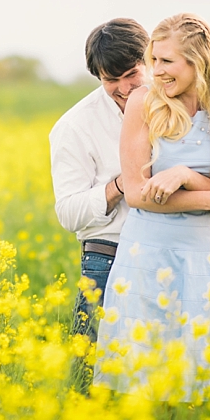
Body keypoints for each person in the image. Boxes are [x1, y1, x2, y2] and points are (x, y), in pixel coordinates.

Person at [93, 13, 210, 401]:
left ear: (198, 61)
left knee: (205, 385)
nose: (155, 71)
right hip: (147, 255)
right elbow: (138, 194)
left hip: (207, 256)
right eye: (153, 60)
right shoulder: (144, 102)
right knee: (144, 388)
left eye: (166, 62)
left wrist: (184, 175)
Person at [49, 18, 149, 348]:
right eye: (111, 80)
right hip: (108, 258)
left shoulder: (176, 105)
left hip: (168, 255)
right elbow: (68, 212)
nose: (124, 88)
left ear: (148, 60)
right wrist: (121, 185)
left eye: (132, 74)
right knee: (92, 382)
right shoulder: (75, 127)